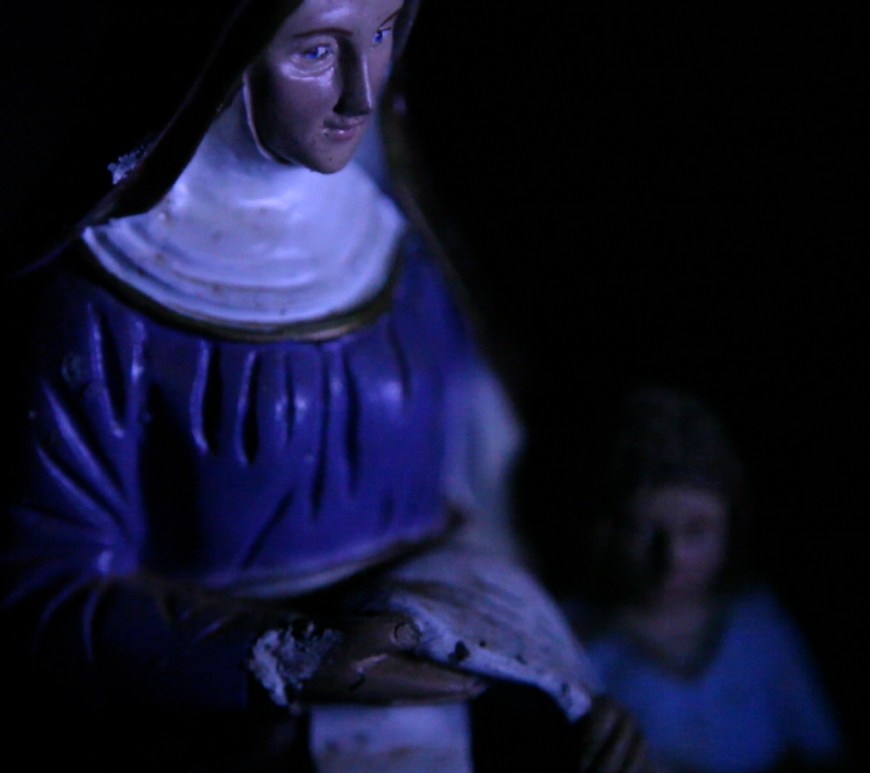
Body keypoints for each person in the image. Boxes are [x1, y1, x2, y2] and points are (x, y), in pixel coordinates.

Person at [0, 1, 649, 770]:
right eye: (314, 52)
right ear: (221, 61)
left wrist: (556, 679)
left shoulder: (398, 252)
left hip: (432, 714)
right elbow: (48, 587)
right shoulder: (109, 307)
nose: (361, 93)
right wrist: (287, 655)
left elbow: (479, 501)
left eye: (382, 33)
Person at [563, 387, 844, 773]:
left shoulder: (758, 626)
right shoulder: (573, 642)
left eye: (697, 530)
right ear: (605, 529)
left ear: (731, 525)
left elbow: (821, 749)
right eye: (641, 530)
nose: (671, 558)